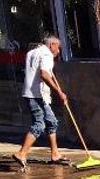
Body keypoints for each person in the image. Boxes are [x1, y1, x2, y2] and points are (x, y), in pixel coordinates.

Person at [13, 36, 68, 171]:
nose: (59, 51)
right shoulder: (46, 54)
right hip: (35, 95)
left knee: (52, 122)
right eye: (58, 47)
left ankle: (55, 154)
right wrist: (59, 92)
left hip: (34, 94)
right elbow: (44, 74)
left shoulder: (32, 52)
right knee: (39, 124)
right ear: (52, 45)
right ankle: (21, 153)